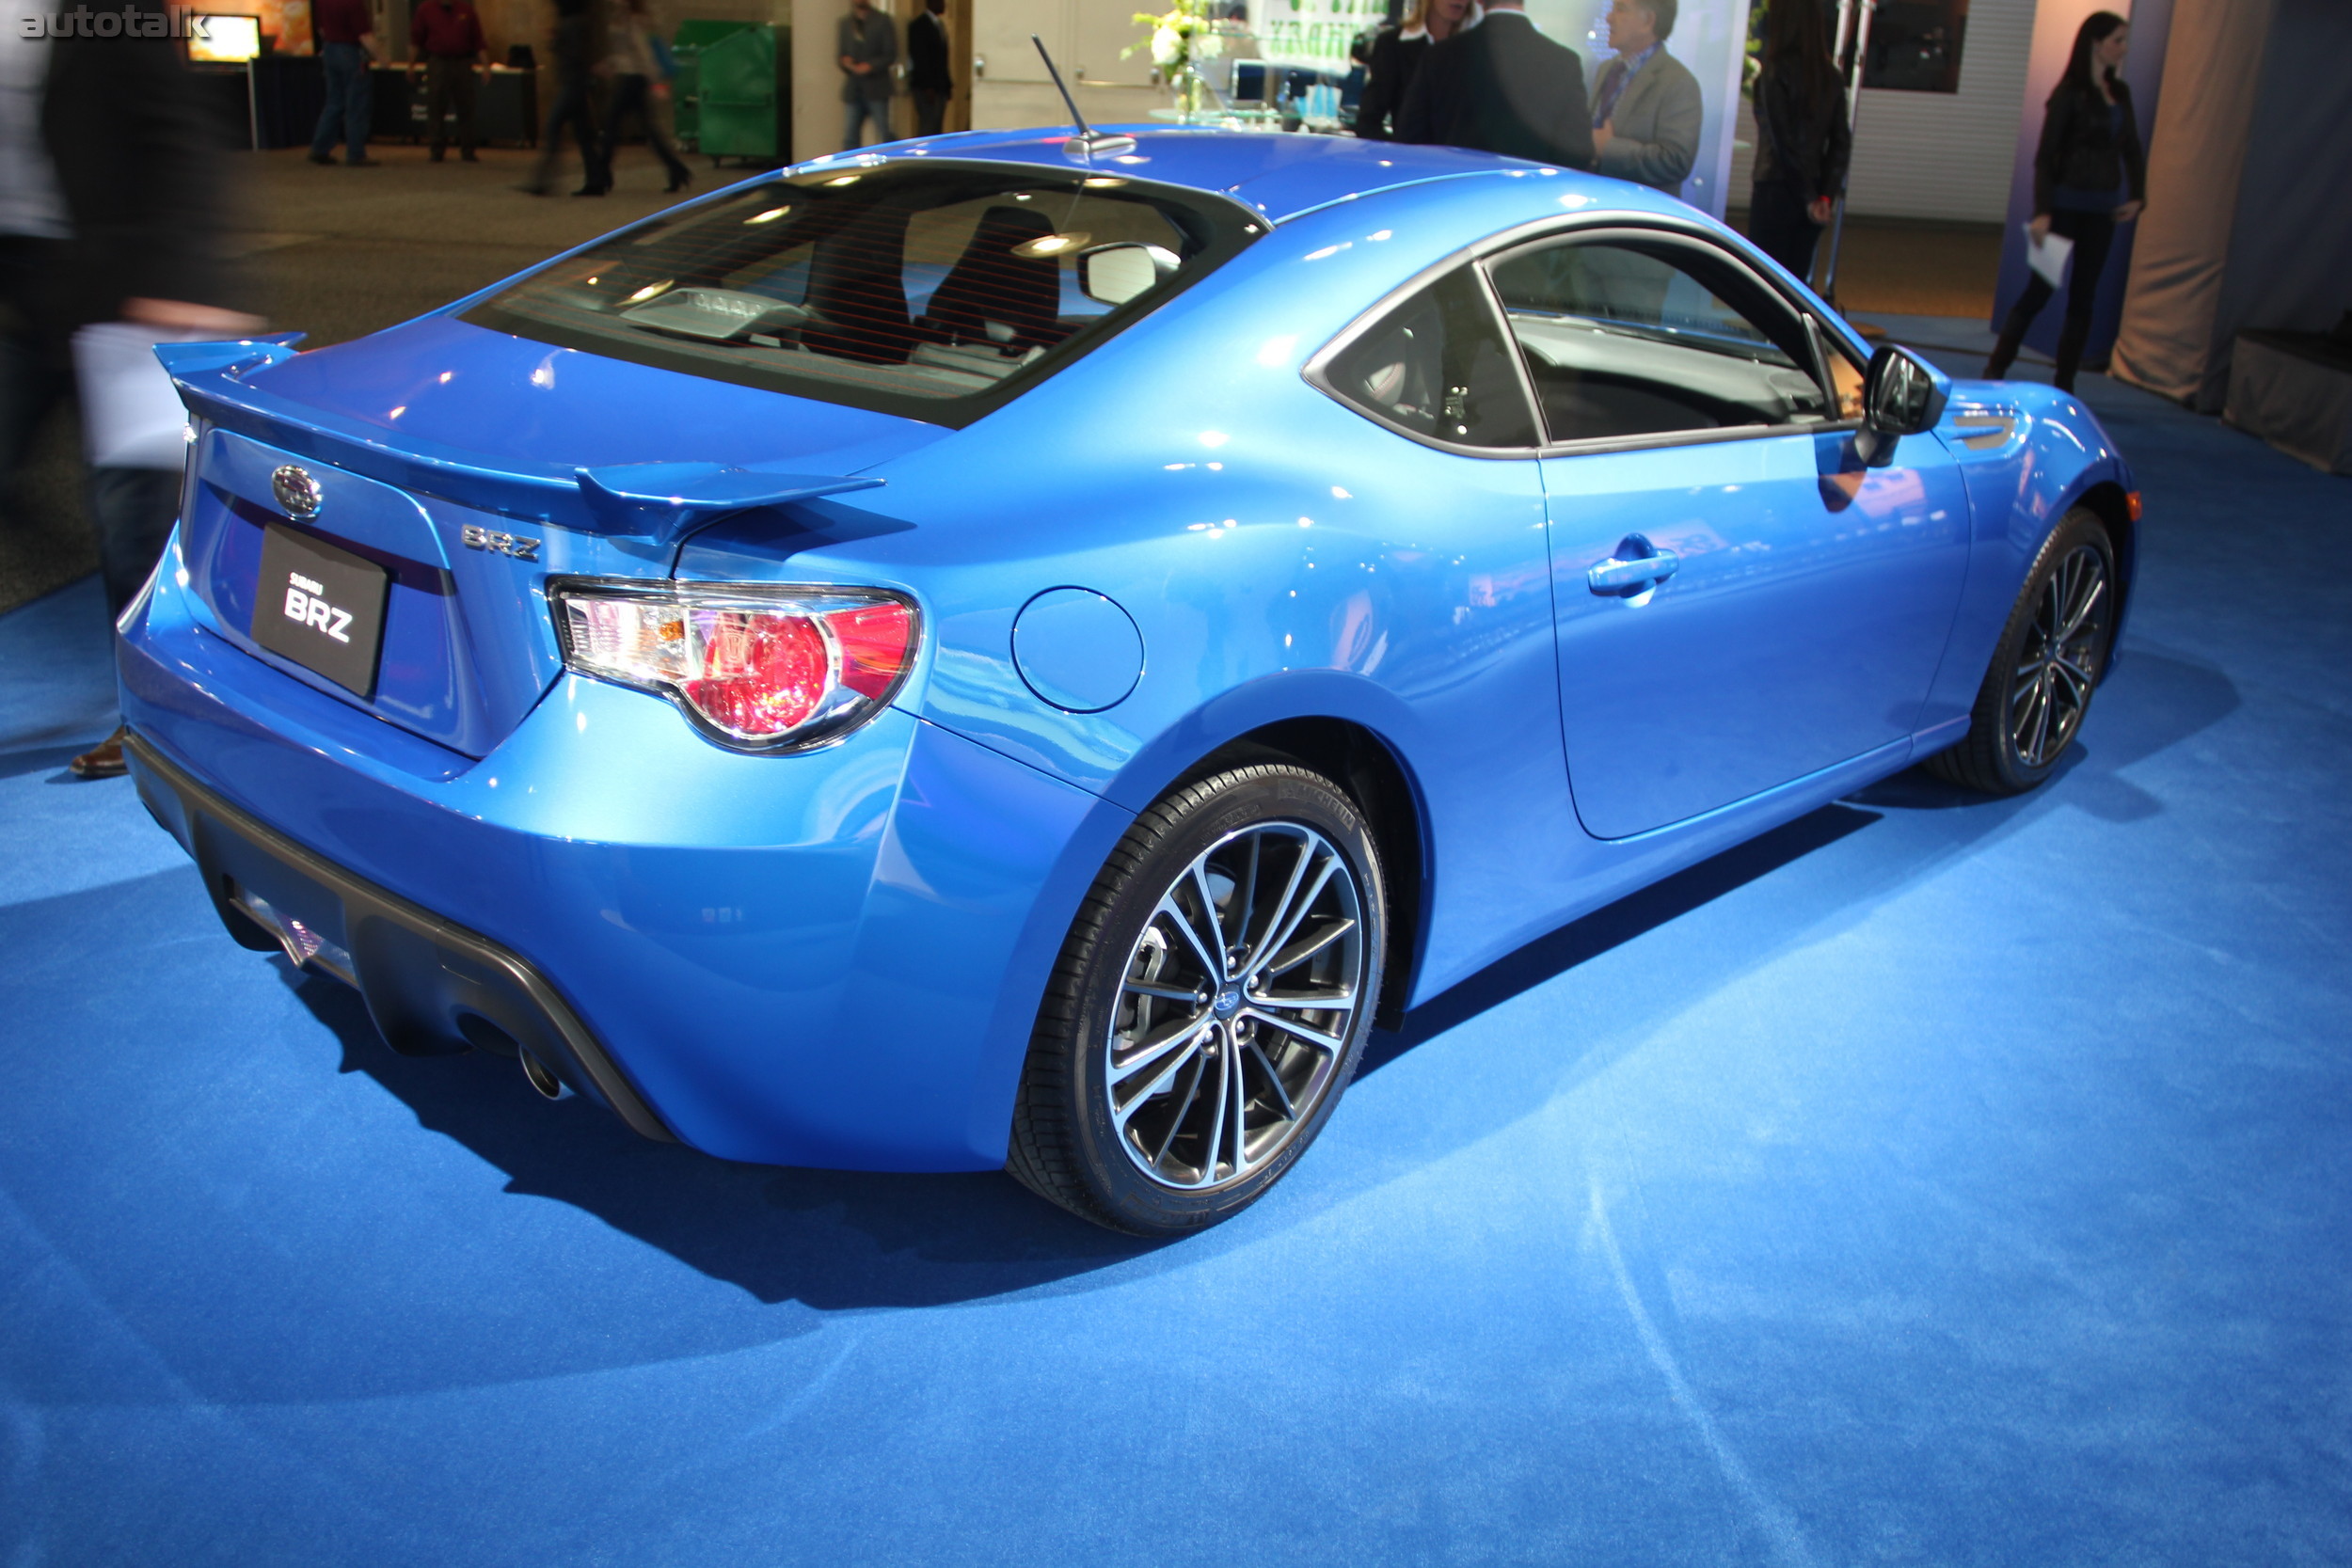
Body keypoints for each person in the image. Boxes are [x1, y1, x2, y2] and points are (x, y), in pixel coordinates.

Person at [1, 0, 262, 777]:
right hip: (30, 288)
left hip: (130, 289)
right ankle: (116, 648)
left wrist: (180, 275)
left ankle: (156, 708)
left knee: (135, 515)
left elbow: (180, 132)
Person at [1985, 10, 2145, 391]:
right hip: (2064, 206)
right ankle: (1995, 369)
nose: (2123, 48)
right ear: (2096, 43)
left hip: (2103, 208)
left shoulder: (2120, 93)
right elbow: (2045, 156)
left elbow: (2132, 149)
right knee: (2039, 290)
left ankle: (2065, 383)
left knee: (2083, 297)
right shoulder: (2068, 94)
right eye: (2117, 40)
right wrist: (2043, 211)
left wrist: (2139, 195)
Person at [1393, 0, 1595, 170]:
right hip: (1529, 199)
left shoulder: (1439, 57)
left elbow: (1410, 139)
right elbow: (1578, 154)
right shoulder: (1564, 63)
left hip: (1451, 195)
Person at [1746, 0, 1850, 281]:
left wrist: (1809, 197)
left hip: (1775, 192)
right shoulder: (1831, 76)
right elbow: (1841, 142)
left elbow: (1782, 143)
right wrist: (1823, 196)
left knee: (1765, 283)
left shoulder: (1773, 72)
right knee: (1796, 284)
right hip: (1814, 193)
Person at [1588, 0, 1701, 196]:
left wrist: (1608, 148)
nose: (1608, 18)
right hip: (1593, 199)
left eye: (1621, 9)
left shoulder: (1678, 82)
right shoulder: (1607, 69)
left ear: (1648, 21)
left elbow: (1676, 162)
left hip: (1639, 208)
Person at [522, 0, 612, 197]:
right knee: (583, 134)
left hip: (573, 83)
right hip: (577, 82)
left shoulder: (571, 23)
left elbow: (574, 54)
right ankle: (596, 180)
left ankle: (542, 181)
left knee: (554, 127)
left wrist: (555, 41)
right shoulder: (579, 21)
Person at [598, 0, 691, 192]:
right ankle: (677, 169)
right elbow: (623, 51)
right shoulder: (621, 16)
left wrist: (656, 81)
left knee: (611, 124)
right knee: (648, 129)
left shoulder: (634, 20)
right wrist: (610, 65)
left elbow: (643, 53)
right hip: (629, 76)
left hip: (632, 78)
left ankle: (601, 175)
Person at [1353, 0, 1471, 142]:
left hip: (1463, 154)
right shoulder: (1393, 43)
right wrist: (1400, 149)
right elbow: (1368, 122)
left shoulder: (1476, 48)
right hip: (1409, 152)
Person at [409, 0, 487, 163]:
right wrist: (411, 65)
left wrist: (486, 66)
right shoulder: (426, 9)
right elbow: (416, 39)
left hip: (462, 62)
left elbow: (478, 40)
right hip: (438, 62)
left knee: (466, 107)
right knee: (435, 106)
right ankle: (436, 150)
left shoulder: (466, 10)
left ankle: (468, 149)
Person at [309, 0, 381, 166]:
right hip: (350, 52)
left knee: (334, 103)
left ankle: (320, 148)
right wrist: (382, 57)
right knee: (357, 104)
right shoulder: (354, 3)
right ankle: (356, 153)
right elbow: (364, 35)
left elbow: (321, 29)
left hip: (330, 50)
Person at [838, 0, 896, 151]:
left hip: (877, 87)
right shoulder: (845, 23)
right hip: (854, 89)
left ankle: (893, 162)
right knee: (850, 139)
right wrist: (845, 62)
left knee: (885, 134)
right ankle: (851, 165)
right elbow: (840, 54)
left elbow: (890, 54)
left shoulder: (883, 21)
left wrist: (871, 66)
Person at [907, 0, 950, 138]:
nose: (944, 5)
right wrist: (927, 87)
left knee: (937, 129)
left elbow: (942, 58)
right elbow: (920, 58)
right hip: (926, 89)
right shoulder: (919, 26)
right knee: (928, 126)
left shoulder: (939, 25)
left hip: (940, 87)